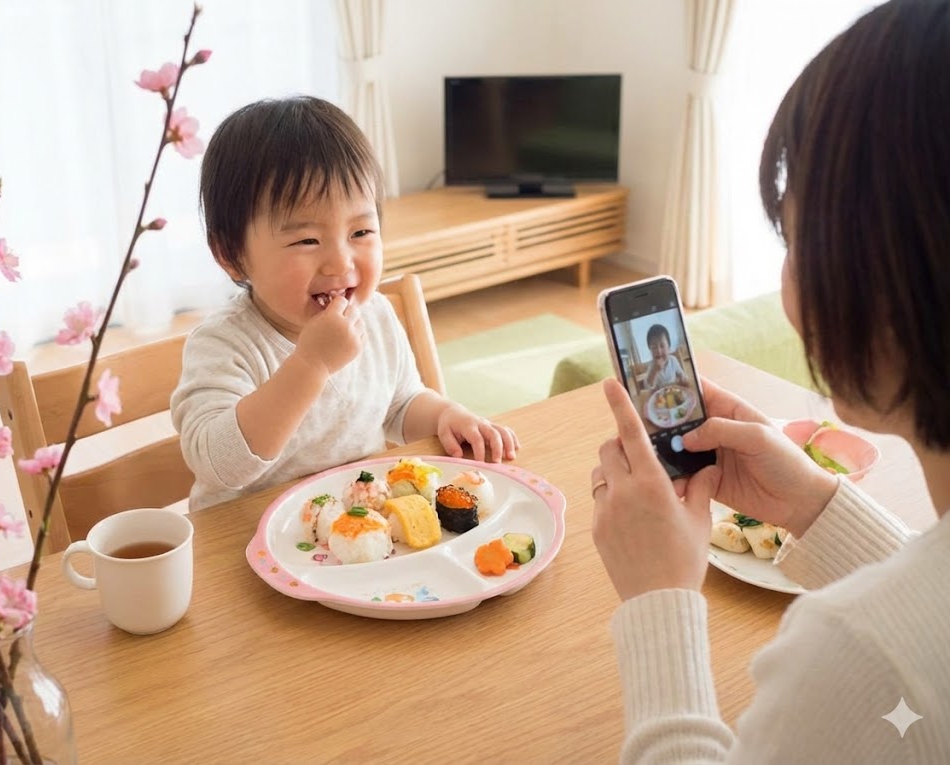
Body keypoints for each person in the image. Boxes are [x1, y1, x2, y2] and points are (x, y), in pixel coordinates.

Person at [589, 1, 950, 762]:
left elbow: (902, 652)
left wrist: (660, 599)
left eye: (795, 235)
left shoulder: (856, 656)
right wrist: (818, 508)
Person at [171, 96, 519, 512]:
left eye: (361, 232)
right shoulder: (223, 345)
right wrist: (310, 365)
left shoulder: (377, 315)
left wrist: (445, 416)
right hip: (240, 546)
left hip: (353, 534)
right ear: (231, 254)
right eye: (306, 240)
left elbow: (400, 403)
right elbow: (220, 465)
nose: (341, 262)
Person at [643, 323, 689, 389]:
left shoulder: (673, 360)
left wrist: (682, 378)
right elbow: (647, 386)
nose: (658, 351)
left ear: (668, 347)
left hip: (674, 391)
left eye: (662, 346)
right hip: (660, 397)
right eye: (654, 347)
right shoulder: (651, 366)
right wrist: (654, 371)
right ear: (650, 350)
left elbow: (681, 374)